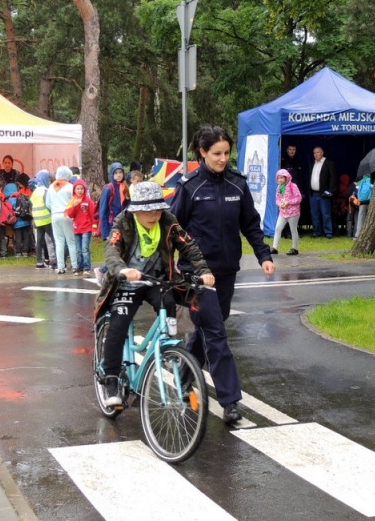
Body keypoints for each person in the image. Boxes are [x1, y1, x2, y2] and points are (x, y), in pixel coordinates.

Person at [170, 125, 276, 424]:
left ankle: (182, 376)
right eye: (216, 153)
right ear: (202, 153)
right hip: (198, 274)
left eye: (227, 153)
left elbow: (251, 224)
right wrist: (175, 262)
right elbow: (173, 228)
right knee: (216, 334)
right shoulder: (190, 186)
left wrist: (263, 256)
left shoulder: (237, 184)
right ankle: (230, 401)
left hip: (227, 271)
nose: (222, 159)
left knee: (208, 328)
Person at [93, 181, 216, 409]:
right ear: (136, 210)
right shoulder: (124, 222)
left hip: (156, 280)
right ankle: (110, 378)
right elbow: (111, 249)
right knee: (119, 324)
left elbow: (189, 246)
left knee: (169, 304)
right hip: (127, 282)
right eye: (147, 210)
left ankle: (164, 350)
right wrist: (121, 269)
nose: (154, 215)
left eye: (157, 209)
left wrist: (204, 271)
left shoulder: (168, 221)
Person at [47, 166, 78, 274]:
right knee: (71, 241)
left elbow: (47, 204)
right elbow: (75, 201)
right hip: (67, 215)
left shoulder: (51, 187)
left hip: (54, 215)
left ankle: (60, 267)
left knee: (59, 242)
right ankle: (75, 265)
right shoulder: (70, 186)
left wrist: (54, 210)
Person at [65, 178, 95, 277]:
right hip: (77, 228)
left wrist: (94, 228)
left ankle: (87, 268)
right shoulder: (73, 201)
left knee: (85, 249)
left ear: (84, 190)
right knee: (78, 250)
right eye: (77, 189)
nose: (79, 191)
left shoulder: (88, 201)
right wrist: (74, 205)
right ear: (74, 190)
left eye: (81, 188)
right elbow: (69, 214)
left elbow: (94, 215)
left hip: (86, 228)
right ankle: (80, 267)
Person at [308, 146, 337, 239]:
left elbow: (333, 178)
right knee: (314, 214)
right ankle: (317, 231)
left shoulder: (328, 163)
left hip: (323, 193)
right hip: (313, 193)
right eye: (314, 153)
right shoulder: (312, 163)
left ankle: (328, 232)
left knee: (326, 213)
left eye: (318, 152)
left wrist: (330, 191)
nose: (316, 154)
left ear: (322, 153)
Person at [270, 169, 301, 255]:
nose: (280, 180)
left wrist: (289, 202)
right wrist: (279, 204)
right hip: (283, 212)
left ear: (286, 178)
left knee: (293, 229)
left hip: (293, 212)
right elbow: (277, 199)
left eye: (282, 178)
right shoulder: (279, 187)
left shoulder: (293, 186)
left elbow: (298, 198)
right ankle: (275, 248)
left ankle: (295, 248)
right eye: (278, 178)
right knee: (277, 228)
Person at [31, 169, 56, 269]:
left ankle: (39, 262)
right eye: (48, 179)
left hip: (37, 220)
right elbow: (48, 204)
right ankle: (55, 261)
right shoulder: (45, 191)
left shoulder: (35, 191)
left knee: (39, 241)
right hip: (47, 219)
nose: (49, 181)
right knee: (54, 239)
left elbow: (31, 204)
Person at [98, 162, 128, 240]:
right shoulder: (108, 189)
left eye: (120, 172)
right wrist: (105, 233)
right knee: (113, 249)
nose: (119, 175)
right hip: (111, 224)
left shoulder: (125, 187)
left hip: (122, 223)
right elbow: (103, 211)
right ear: (112, 174)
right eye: (116, 173)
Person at [10, 173, 33, 258]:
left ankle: (18, 252)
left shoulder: (17, 194)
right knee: (27, 236)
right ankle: (25, 252)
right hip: (27, 218)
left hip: (18, 220)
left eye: (20, 184)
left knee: (19, 237)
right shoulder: (30, 191)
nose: (19, 186)